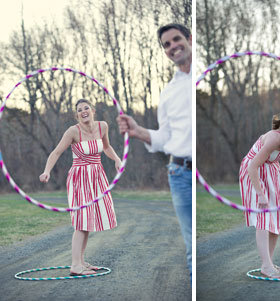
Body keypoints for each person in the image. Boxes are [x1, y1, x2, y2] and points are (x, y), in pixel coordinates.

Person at [116, 23, 192, 281]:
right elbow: (165, 138)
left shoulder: (205, 74)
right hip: (180, 174)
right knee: (192, 247)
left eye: (176, 39)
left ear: (189, 38)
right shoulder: (169, 91)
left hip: (205, 174)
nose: (173, 47)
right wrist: (138, 131)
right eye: (166, 45)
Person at [39, 99, 121, 276]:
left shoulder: (103, 126)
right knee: (81, 221)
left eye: (86, 108)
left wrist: (116, 159)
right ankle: (75, 266)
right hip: (80, 177)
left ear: (93, 110)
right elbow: (56, 152)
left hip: (97, 176)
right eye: (79, 110)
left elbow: (106, 147)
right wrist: (46, 171)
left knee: (88, 220)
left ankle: (81, 262)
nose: (83, 111)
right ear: (77, 115)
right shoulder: (73, 131)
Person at [239, 106, 280, 279]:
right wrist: (260, 193)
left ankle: (268, 262)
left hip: (273, 170)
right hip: (253, 171)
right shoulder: (273, 139)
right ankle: (266, 266)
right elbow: (253, 165)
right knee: (264, 215)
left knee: (278, 214)